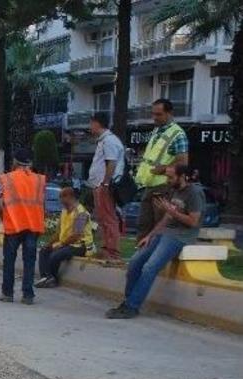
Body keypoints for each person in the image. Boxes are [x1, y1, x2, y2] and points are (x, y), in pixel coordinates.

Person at [107, 164, 204, 319]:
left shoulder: (194, 193)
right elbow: (166, 219)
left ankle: (132, 306)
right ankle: (128, 301)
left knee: (149, 267)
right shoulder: (173, 190)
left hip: (180, 236)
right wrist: (150, 235)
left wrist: (171, 211)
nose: (168, 180)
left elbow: (193, 221)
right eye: (167, 176)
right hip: (164, 233)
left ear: (183, 176)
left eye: (171, 177)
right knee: (134, 263)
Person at [0, 148, 46, 305]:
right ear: (30, 163)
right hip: (33, 225)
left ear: (15, 162)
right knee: (29, 260)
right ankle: (28, 295)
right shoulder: (40, 180)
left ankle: (7, 293)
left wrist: (1, 213)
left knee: (9, 259)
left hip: (14, 224)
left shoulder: (6, 179)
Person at [134, 99, 189, 241]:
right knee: (144, 225)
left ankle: (156, 260)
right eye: (153, 114)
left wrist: (163, 169)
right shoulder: (157, 131)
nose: (154, 117)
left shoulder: (178, 134)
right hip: (149, 185)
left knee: (159, 226)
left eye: (158, 114)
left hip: (164, 186)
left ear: (169, 113)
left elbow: (183, 162)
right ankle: (140, 259)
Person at [86, 113, 126, 260]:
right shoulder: (103, 141)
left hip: (105, 186)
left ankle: (113, 252)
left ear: (97, 123)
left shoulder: (109, 141)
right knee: (103, 218)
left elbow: (112, 163)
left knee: (109, 218)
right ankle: (106, 249)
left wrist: (105, 183)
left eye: (91, 124)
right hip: (99, 185)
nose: (90, 128)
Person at [36, 187, 93, 289]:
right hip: (67, 244)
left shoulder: (81, 213)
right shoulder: (64, 212)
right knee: (44, 251)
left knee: (55, 255)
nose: (60, 200)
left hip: (81, 246)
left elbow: (77, 235)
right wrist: (49, 244)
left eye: (62, 197)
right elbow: (58, 233)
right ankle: (46, 277)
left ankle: (53, 279)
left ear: (70, 197)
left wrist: (61, 244)